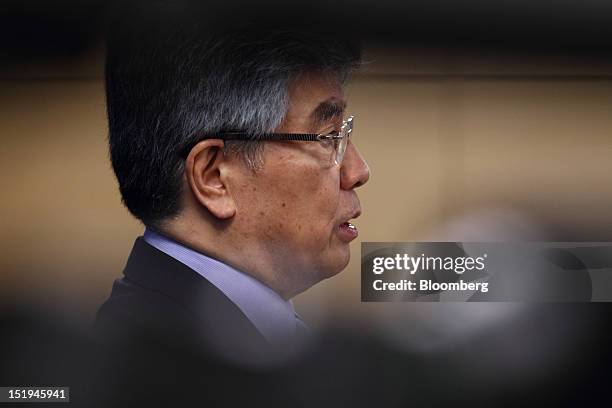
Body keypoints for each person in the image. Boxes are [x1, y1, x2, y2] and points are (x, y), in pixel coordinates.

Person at [96, 11, 370, 365]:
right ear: (214, 177)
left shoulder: (219, 337)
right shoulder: (157, 370)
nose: (359, 171)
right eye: (327, 137)